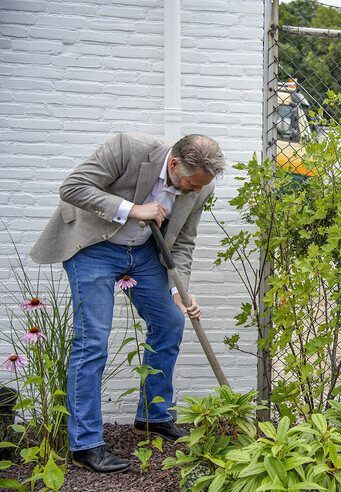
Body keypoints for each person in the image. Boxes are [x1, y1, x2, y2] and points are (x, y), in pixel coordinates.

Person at [29, 133, 225, 473]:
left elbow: (183, 243)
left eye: (200, 187)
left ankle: (153, 416)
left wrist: (180, 291)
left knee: (170, 322)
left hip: (144, 254)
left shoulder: (201, 186)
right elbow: (72, 188)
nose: (195, 192)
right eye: (191, 185)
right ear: (175, 164)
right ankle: (86, 443)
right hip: (95, 248)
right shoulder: (127, 149)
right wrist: (133, 210)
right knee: (93, 339)